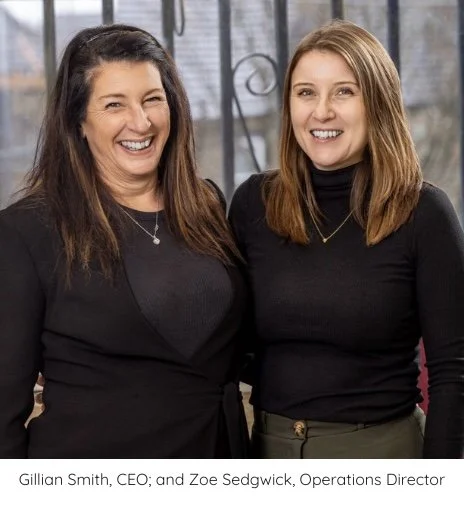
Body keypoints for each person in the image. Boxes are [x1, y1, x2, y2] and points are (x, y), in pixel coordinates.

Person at [0, 24, 249, 458]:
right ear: (78, 121)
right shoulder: (27, 231)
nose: (141, 121)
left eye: (152, 99)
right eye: (114, 104)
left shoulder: (206, 205)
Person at [229, 19, 464, 458]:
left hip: (382, 455)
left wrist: (442, 485)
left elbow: (454, 373)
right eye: (306, 92)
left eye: (344, 91)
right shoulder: (253, 205)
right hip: (268, 451)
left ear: (377, 103)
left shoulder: (423, 213)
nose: (322, 112)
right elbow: (225, 346)